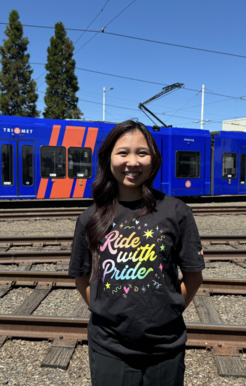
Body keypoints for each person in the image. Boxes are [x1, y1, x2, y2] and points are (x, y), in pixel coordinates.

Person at [68, 120, 205, 386]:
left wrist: (169, 311)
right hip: (109, 348)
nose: (133, 161)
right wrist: (105, 310)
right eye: (123, 153)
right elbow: (81, 279)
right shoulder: (90, 218)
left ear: (154, 159)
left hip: (166, 347)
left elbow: (193, 276)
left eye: (142, 152)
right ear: (108, 159)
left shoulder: (176, 212)